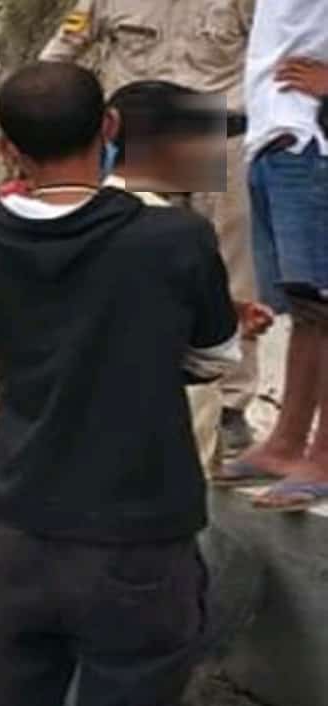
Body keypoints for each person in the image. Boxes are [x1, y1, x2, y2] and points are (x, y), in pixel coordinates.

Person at [0, 63, 237, 706]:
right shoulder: (174, 239)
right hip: (137, 540)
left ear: (7, 149)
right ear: (110, 129)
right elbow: (214, 356)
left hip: (16, 530)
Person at [41, 0, 261, 454]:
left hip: (221, 129)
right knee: (133, 266)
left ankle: (230, 406)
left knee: (232, 271)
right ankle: (140, 387)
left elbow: (273, 55)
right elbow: (61, 53)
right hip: (143, 133)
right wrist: (52, 122)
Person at [103, 80, 274, 469]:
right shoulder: (181, 234)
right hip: (160, 441)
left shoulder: (80, 214)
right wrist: (228, 326)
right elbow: (212, 357)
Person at [217, 2, 328, 509]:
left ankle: (323, 456)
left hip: (312, 140)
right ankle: (287, 441)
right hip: (275, 136)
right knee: (307, 306)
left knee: (324, 302)